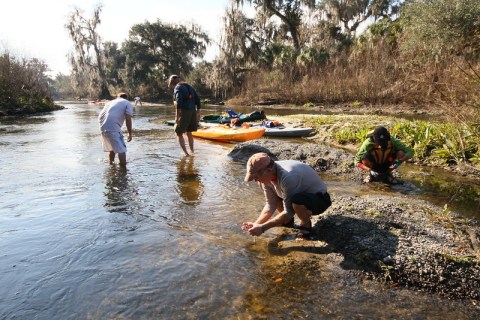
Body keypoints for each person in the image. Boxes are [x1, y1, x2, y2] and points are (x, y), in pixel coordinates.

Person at [241, 153, 331, 239]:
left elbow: (289, 212)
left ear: (268, 171)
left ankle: (305, 225)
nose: (256, 181)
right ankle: (287, 222)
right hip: (296, 195)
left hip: (320, 199)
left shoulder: (288, 176)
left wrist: (263, 228)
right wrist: (256, 224)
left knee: (297, 201)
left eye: (256, 178)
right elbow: (270, 204)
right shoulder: (267, 176)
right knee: (280, 199)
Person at [168, 75, 201, 157]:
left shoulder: (178, 87)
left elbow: (179, 101)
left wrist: (177, 116)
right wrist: (198, 112)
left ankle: (186, 154)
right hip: (192, 111)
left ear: (172, 82)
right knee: (189, 132)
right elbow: (198, 99)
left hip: (184, 111)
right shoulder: (189, 86)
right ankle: (192, 151)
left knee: (178, 133)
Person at [98, 92, 133, 165]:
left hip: (102, 126)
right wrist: (130, 133)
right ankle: (123, 171)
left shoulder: (110, 102)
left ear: (117, 97)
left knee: (112, 148)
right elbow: (128, 119)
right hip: (112, 127)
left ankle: (111, 164)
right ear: (126, 98)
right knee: (122, 150)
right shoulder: (127, 103)